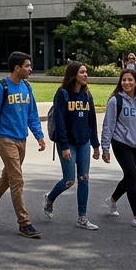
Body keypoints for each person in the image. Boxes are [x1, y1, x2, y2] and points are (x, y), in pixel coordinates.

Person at [0, 51, 46, 239]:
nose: (30, 69)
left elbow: (32, 114)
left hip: (21, 139)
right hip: (4, 138)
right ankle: (24, 223)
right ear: (17, 68)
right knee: (17, 180)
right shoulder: (0, 88)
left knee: (8, 177)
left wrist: (39, 136)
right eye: (27, 66)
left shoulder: (27, 86)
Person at [43, 61, 99, 229]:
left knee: (84, 179)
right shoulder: (63, 94)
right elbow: (59, 122)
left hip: (84, 143)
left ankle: (82, 217)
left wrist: (95, 145)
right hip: (67, 144)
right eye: (82, 72)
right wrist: (65, 145)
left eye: (86, 72)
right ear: (74, 74)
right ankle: (49, 199)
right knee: (69, 180)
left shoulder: (87, 95)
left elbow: (92, 121)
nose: (86, 75)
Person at [101, 69, 136, 229]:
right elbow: (108, 125)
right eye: (123, 80)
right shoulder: (115, 101)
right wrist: (105, 148)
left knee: (130, 177)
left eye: (130, 80)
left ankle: (112, 200)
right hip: (121, 142)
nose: (126, 83)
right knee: (132, 176)